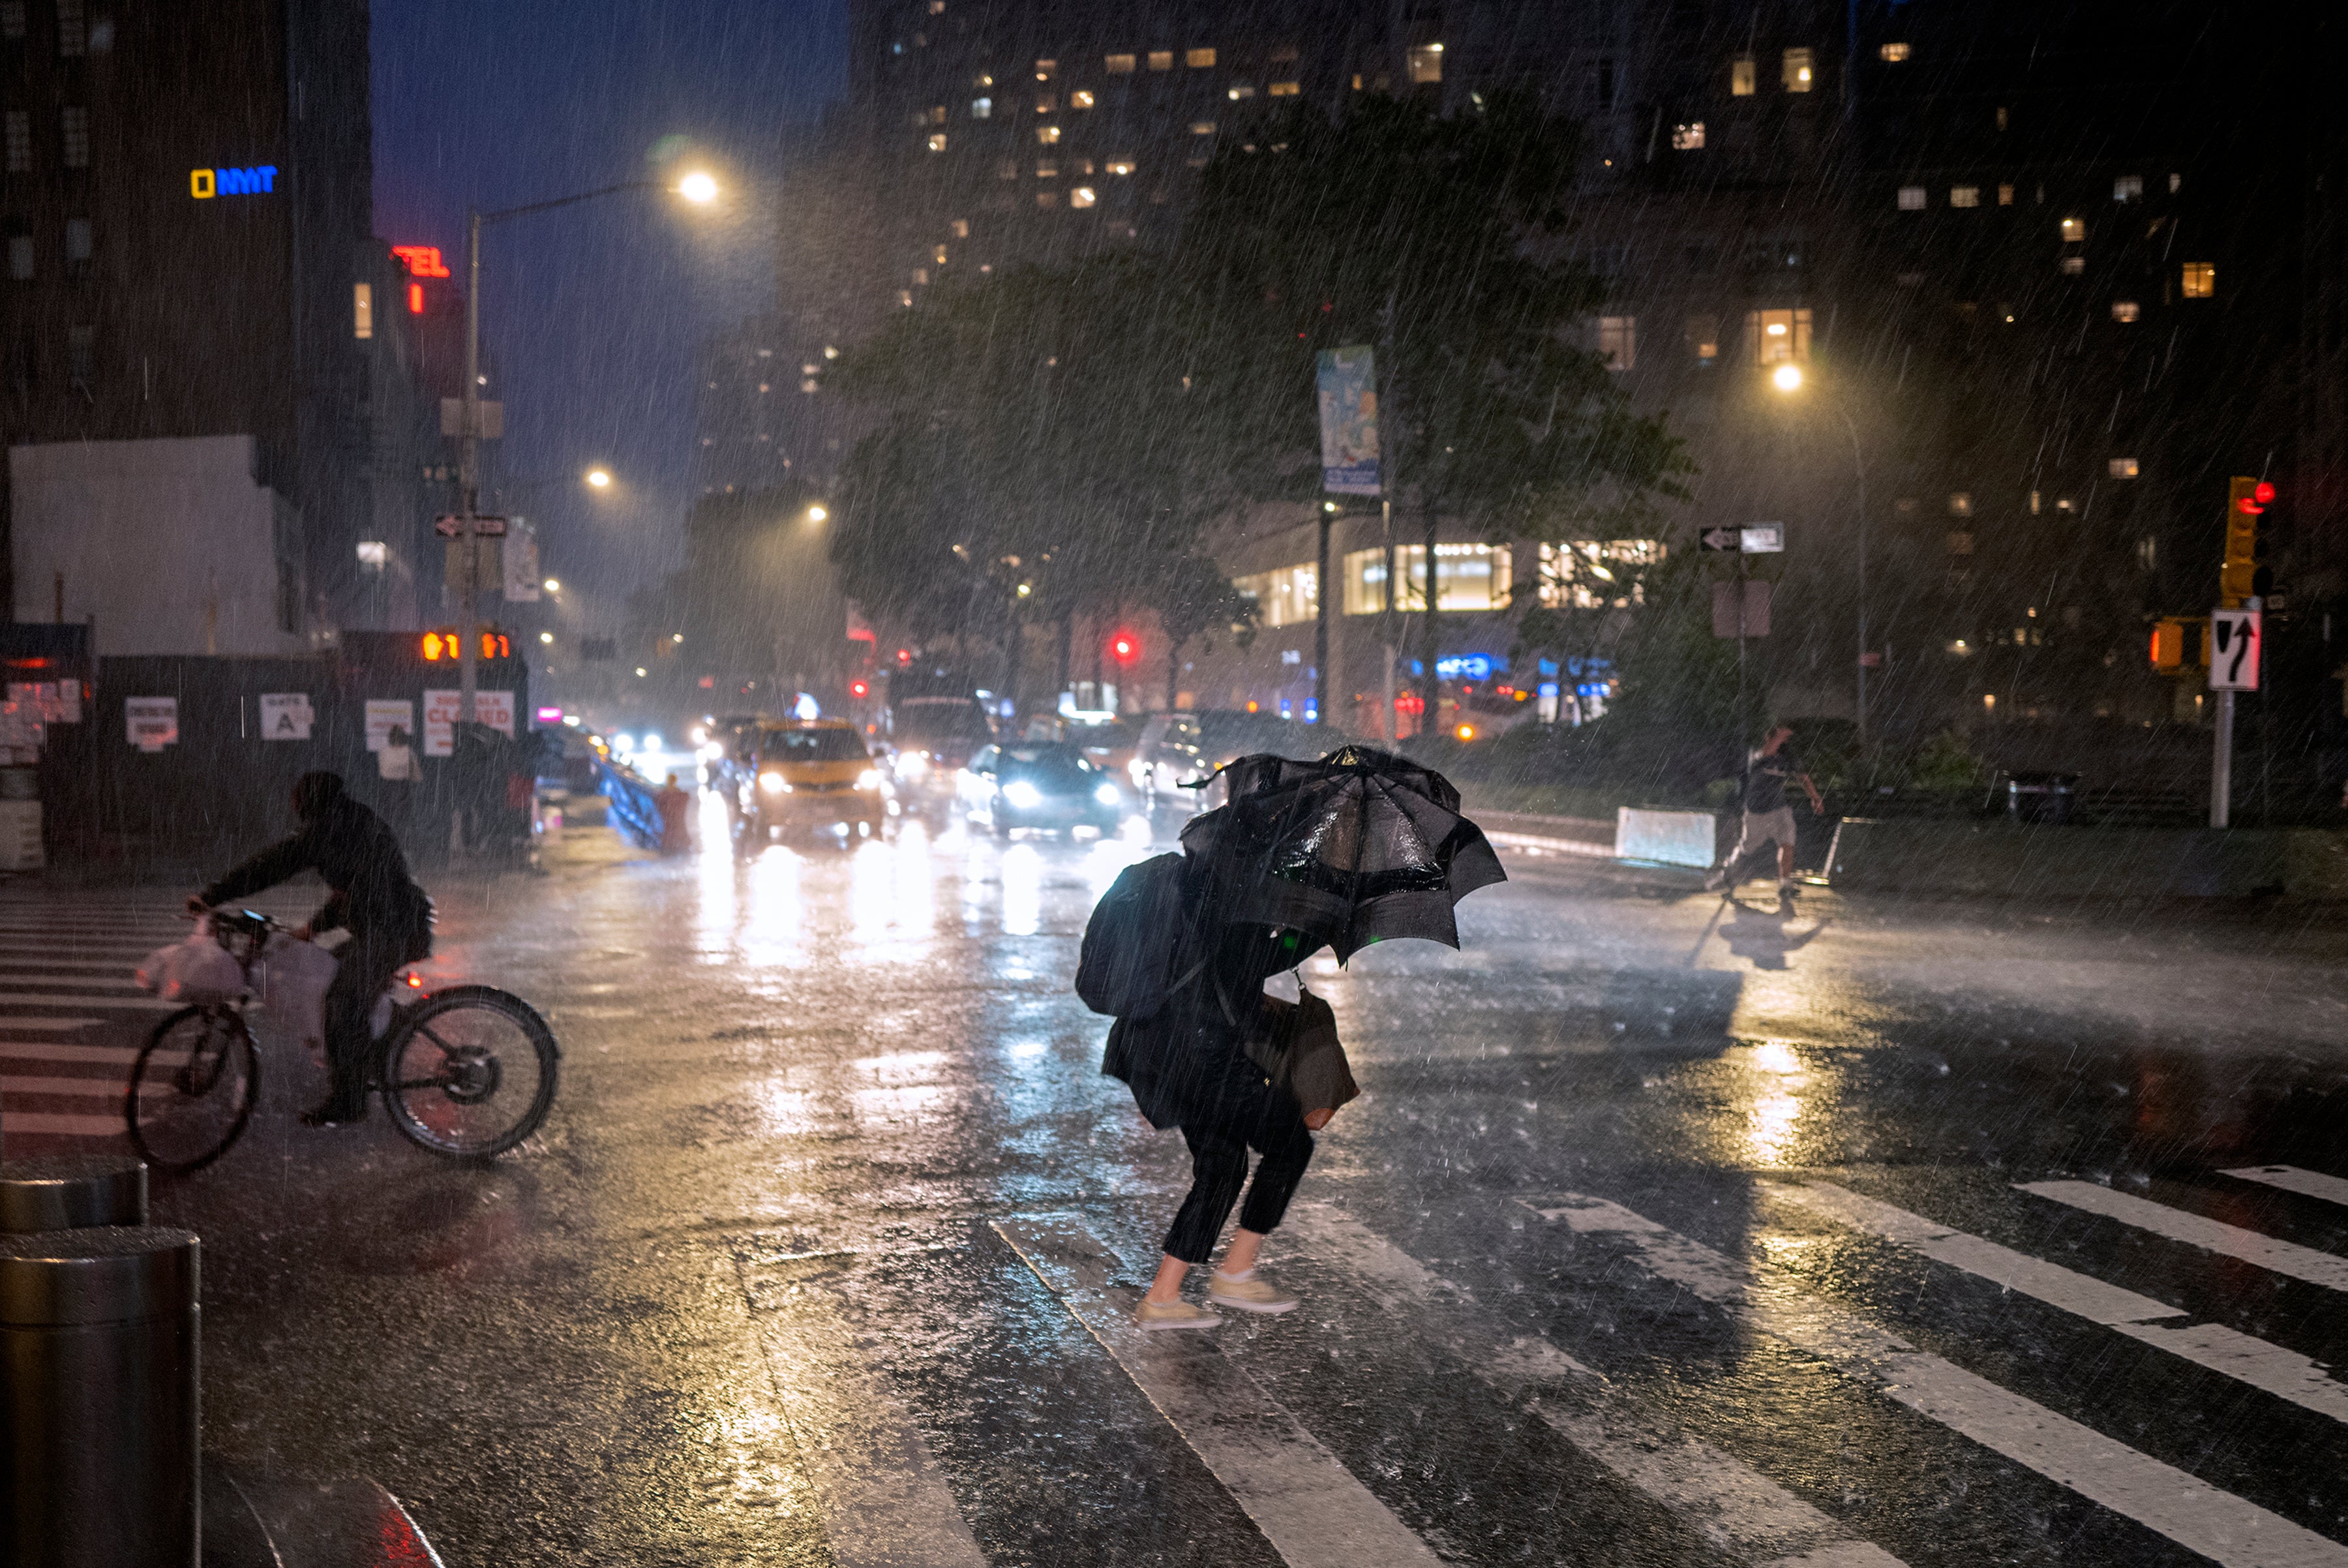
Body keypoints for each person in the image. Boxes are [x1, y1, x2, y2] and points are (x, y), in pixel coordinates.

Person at [1105, 877, 1331, 1331]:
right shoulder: (1238, 892)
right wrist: (1318, 927)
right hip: (1203, 1056)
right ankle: (1233, 1274)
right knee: (1289, 1145)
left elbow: (1219, 970)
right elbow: (1262, 956)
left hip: (1157, 1049)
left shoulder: (1196, 885)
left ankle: (1164, 1297)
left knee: (1223, 1166)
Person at [189, 771, 433, 1126]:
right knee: (327, 980)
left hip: (394, 930)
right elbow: (356, 889)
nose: (293, 805)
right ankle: (377, 1054)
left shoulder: (331, 830)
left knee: (342, 1002)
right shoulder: (347, 822)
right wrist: (314, 928)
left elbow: (273, 865)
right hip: (385, 924)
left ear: (309, 801)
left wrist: (212, 895)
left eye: (297, 798)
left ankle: (349, 1100)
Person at [1706, 725, 1824, 899]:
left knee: (1787, 843)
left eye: (1784, 740)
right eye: (1779, 739)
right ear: (1769, 739)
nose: (1783, 742)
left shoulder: (1786, 758)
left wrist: (1815, 797)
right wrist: (1779, 736)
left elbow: (1803, 778)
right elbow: (1768, 752)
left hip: (1779, 809)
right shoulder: (1757, 755)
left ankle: (1785, 884)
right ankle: (1728, 874)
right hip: (1756, 812)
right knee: (1747, 849)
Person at [376, 724, 419, 841]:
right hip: (403, 787)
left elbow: (381, 770)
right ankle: (400, 842)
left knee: (387, 817)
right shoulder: (409, 752)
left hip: (387, 788)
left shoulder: (383, 752)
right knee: (402, 819)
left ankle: (387, 842)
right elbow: (417, 776)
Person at [654, 772, 693, 856]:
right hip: (676, 822)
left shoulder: (663, 795)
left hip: (669, 822)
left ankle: (670, 847)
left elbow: (659, 803)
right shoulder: (680, 795)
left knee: (669, 832)